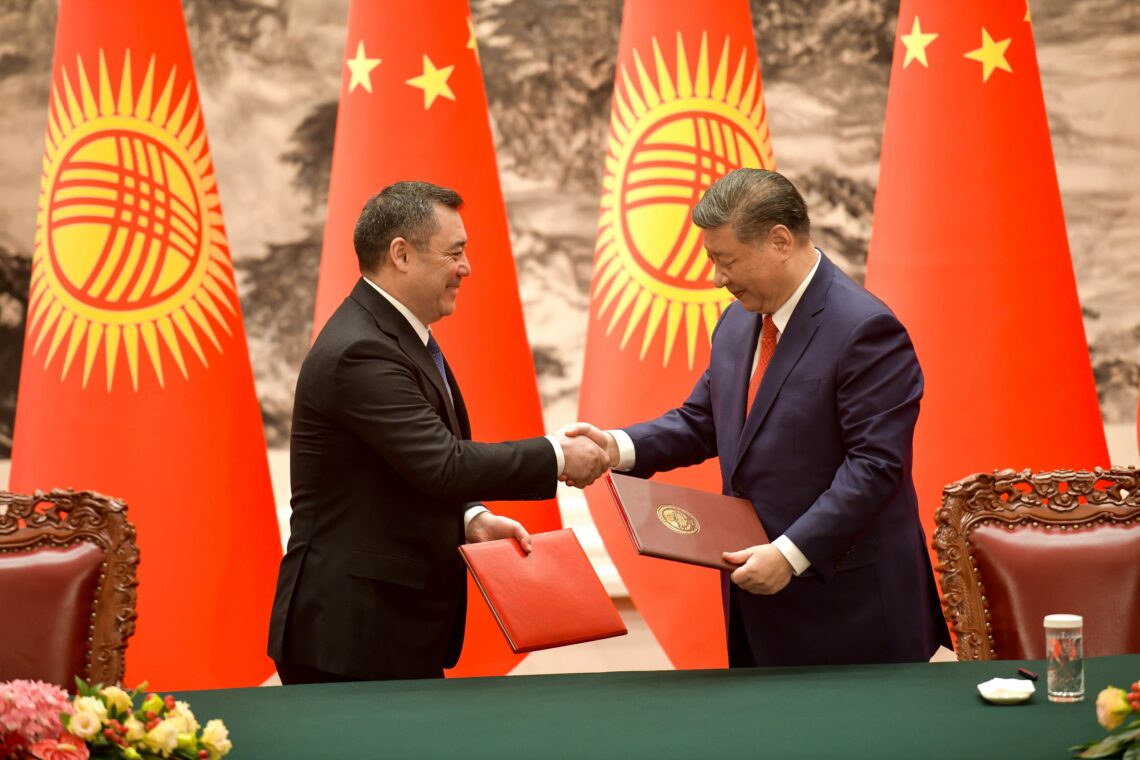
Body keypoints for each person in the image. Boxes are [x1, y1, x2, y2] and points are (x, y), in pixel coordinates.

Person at [572, 168, 950, 667]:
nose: (717, 279)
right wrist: (615, 447)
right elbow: (703, 420)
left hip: (849, 608)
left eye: (726, 261)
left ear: (779, 241)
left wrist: (790, 554)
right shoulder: (739, 320)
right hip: (757, 602)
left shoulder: (866, 329)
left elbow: (875, 467)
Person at [268, 181, 610, 683]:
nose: (466, 267)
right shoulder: (361, 350)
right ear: (401, 255)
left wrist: (469, 518)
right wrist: (557, 456)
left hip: (385, 627)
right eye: (454, 252)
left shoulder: (394, 334)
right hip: (350, 634)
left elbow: (400, 469)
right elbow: (443, 463)